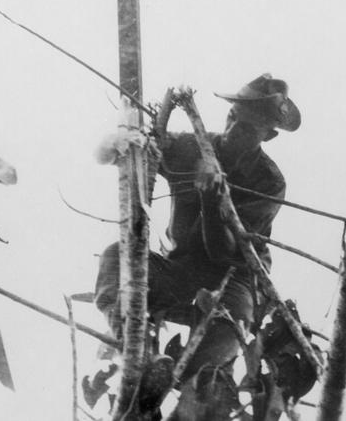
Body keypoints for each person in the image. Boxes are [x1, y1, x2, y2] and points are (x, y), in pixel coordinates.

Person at [94, 74, 301, 414]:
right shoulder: (193, 146)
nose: (234, 132)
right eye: (233, 118)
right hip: (180, 270)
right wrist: (128, 141)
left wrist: (211, 202)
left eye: (248, 129)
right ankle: (138, 356)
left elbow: (225, 252)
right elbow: (142, 150)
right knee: (116, 259)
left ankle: (174, 397)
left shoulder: (269, 181)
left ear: (268, 135)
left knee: (211, 359)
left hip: (233, 280)